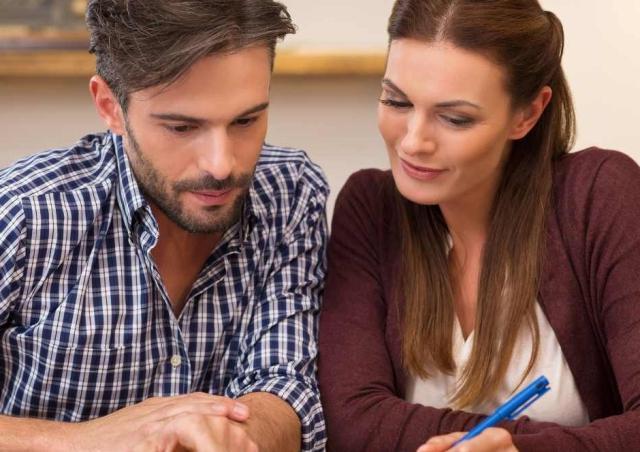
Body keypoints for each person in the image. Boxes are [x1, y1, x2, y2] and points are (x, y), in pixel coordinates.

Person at [0, 1, 328, 451]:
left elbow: (286, 384)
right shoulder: (23, 213)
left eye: (246, 121)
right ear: (109, 106)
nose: (221, 164)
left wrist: (236, 436)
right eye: (181, 127)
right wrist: (89, 441)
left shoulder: (291, 195)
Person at [318, 0, 640, 451]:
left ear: (528, 113)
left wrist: (519, 448)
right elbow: (352, 424)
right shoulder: (371, 210)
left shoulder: (599, 196)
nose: (413, 141)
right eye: (396, 100)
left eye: (455, 118)